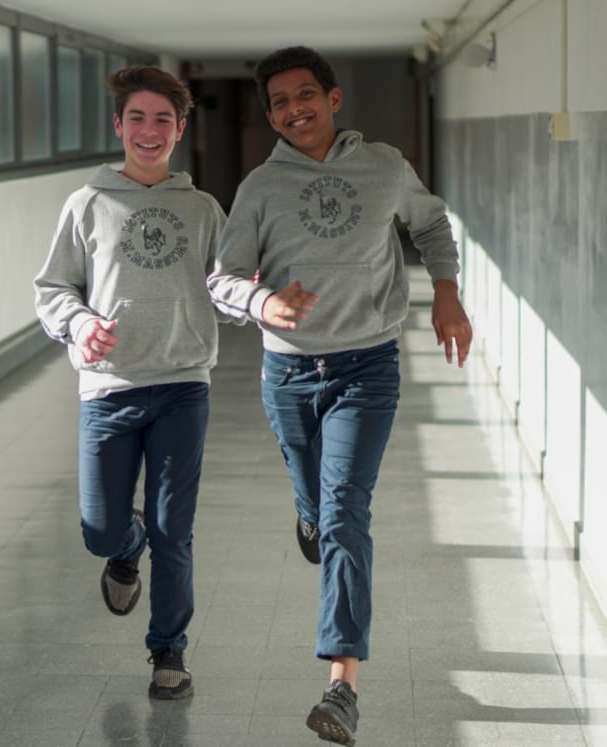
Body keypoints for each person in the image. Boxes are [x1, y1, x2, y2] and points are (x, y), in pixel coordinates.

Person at [207, 46, 472, 745]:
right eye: (278, 103)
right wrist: (264, 302)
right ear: (269, 115)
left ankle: (340, 684)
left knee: (346, 516)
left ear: (332, 99)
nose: (293, 110)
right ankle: (308, 515)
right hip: (287, 375)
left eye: (304, 95)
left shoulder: (383, 165)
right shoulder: (260, 187)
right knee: (319, 510)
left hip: (367, 366)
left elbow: (431, 223)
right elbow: (223, 279)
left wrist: (446, 293)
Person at [34, 65, 226, 700]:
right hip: (108, 388)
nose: (149, 131)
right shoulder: (87, 203)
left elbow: (225, 286)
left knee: (178, 530)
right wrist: (79, 322)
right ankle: (126, 542)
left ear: (180, 128)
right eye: (137, 118)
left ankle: (168, 651)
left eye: (163, 120)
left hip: (181, 385)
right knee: (98, 529)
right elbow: (53, 289)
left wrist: (262, 298)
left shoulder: (202, 208)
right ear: (119, 126)